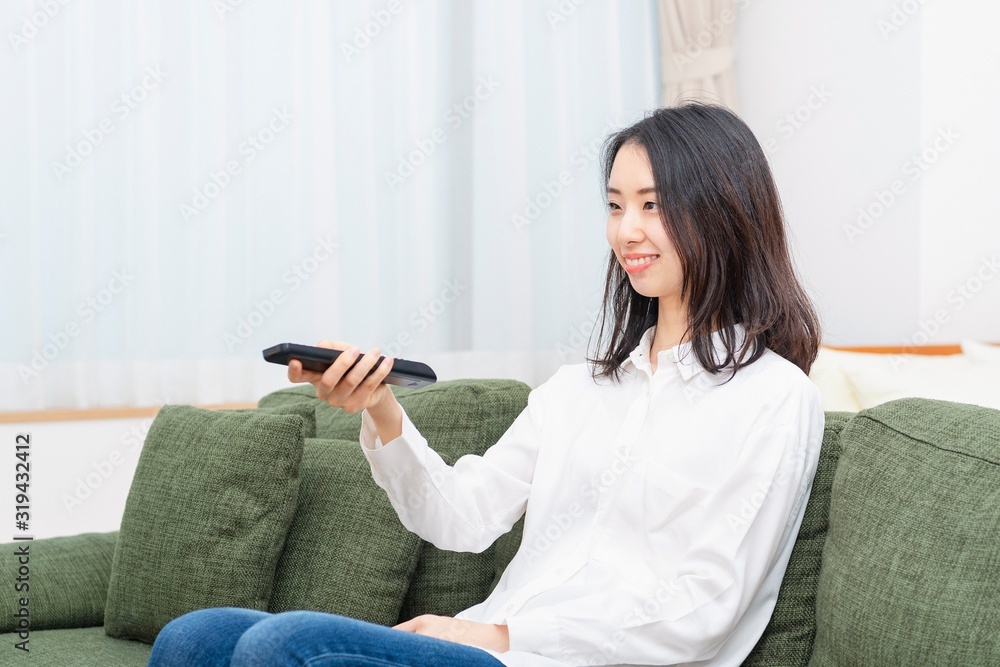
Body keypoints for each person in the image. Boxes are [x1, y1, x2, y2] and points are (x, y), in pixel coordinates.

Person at [147, 102, 825, 667]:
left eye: (653, 205)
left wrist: (500, 635)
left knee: (283, 646)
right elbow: (462, 515)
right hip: (493, 646)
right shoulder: (581, 389)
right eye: (616, 205)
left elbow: (704, 611)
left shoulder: (773, 398)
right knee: (194, 638)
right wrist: (380, 407)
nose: (627, 231)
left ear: (724, 211)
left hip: (545, 657)